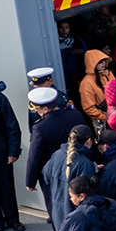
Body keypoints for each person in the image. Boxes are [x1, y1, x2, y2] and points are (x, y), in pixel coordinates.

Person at [26, 86, 88, 215]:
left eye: (37, 109)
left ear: (45, 109)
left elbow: (34, 156)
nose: (36, 112)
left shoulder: (40, 127)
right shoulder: (75, 115)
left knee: (57, 208)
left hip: (53, 173)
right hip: (79, 167)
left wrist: (30, 181)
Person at [41, 125, 101, 231]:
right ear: (88, 141)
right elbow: (87, 193)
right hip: (76, 214)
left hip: (57, 211)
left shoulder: (56, 154)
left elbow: (46, 176)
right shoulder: (84, 163)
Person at [78, 50, 114, 127]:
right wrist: (104, 117)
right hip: (102, 120)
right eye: (100, 61)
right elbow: (88, 107)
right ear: (92, 63)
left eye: (105, 60)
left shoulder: (108, 74)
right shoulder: (86, 83)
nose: (104, 63)